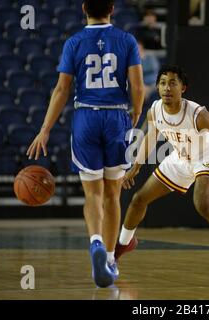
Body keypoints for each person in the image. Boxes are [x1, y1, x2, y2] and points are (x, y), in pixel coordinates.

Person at [26, 0, 144, 288]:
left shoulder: (74, 42)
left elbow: (62, 89)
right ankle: (110, 257)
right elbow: (138, 87)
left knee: (92, 194)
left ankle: (94, 242)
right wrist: (135, 116)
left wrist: (44, 129)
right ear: (112, 9)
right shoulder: (126, 39)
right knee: (112, 194)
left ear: (83, 9)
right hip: (116, 116)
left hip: (85, 118)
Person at [114, 65, 209, 274]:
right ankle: (123, 244)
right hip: (181, 158)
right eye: (163, 83)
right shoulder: (155, 109)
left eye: (173, 83)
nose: (167, 88)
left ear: (183, 88)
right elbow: (151, 137)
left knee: (202, 204)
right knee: (138, 199)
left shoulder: (198, 115)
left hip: (207, 156)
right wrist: (135, 168)